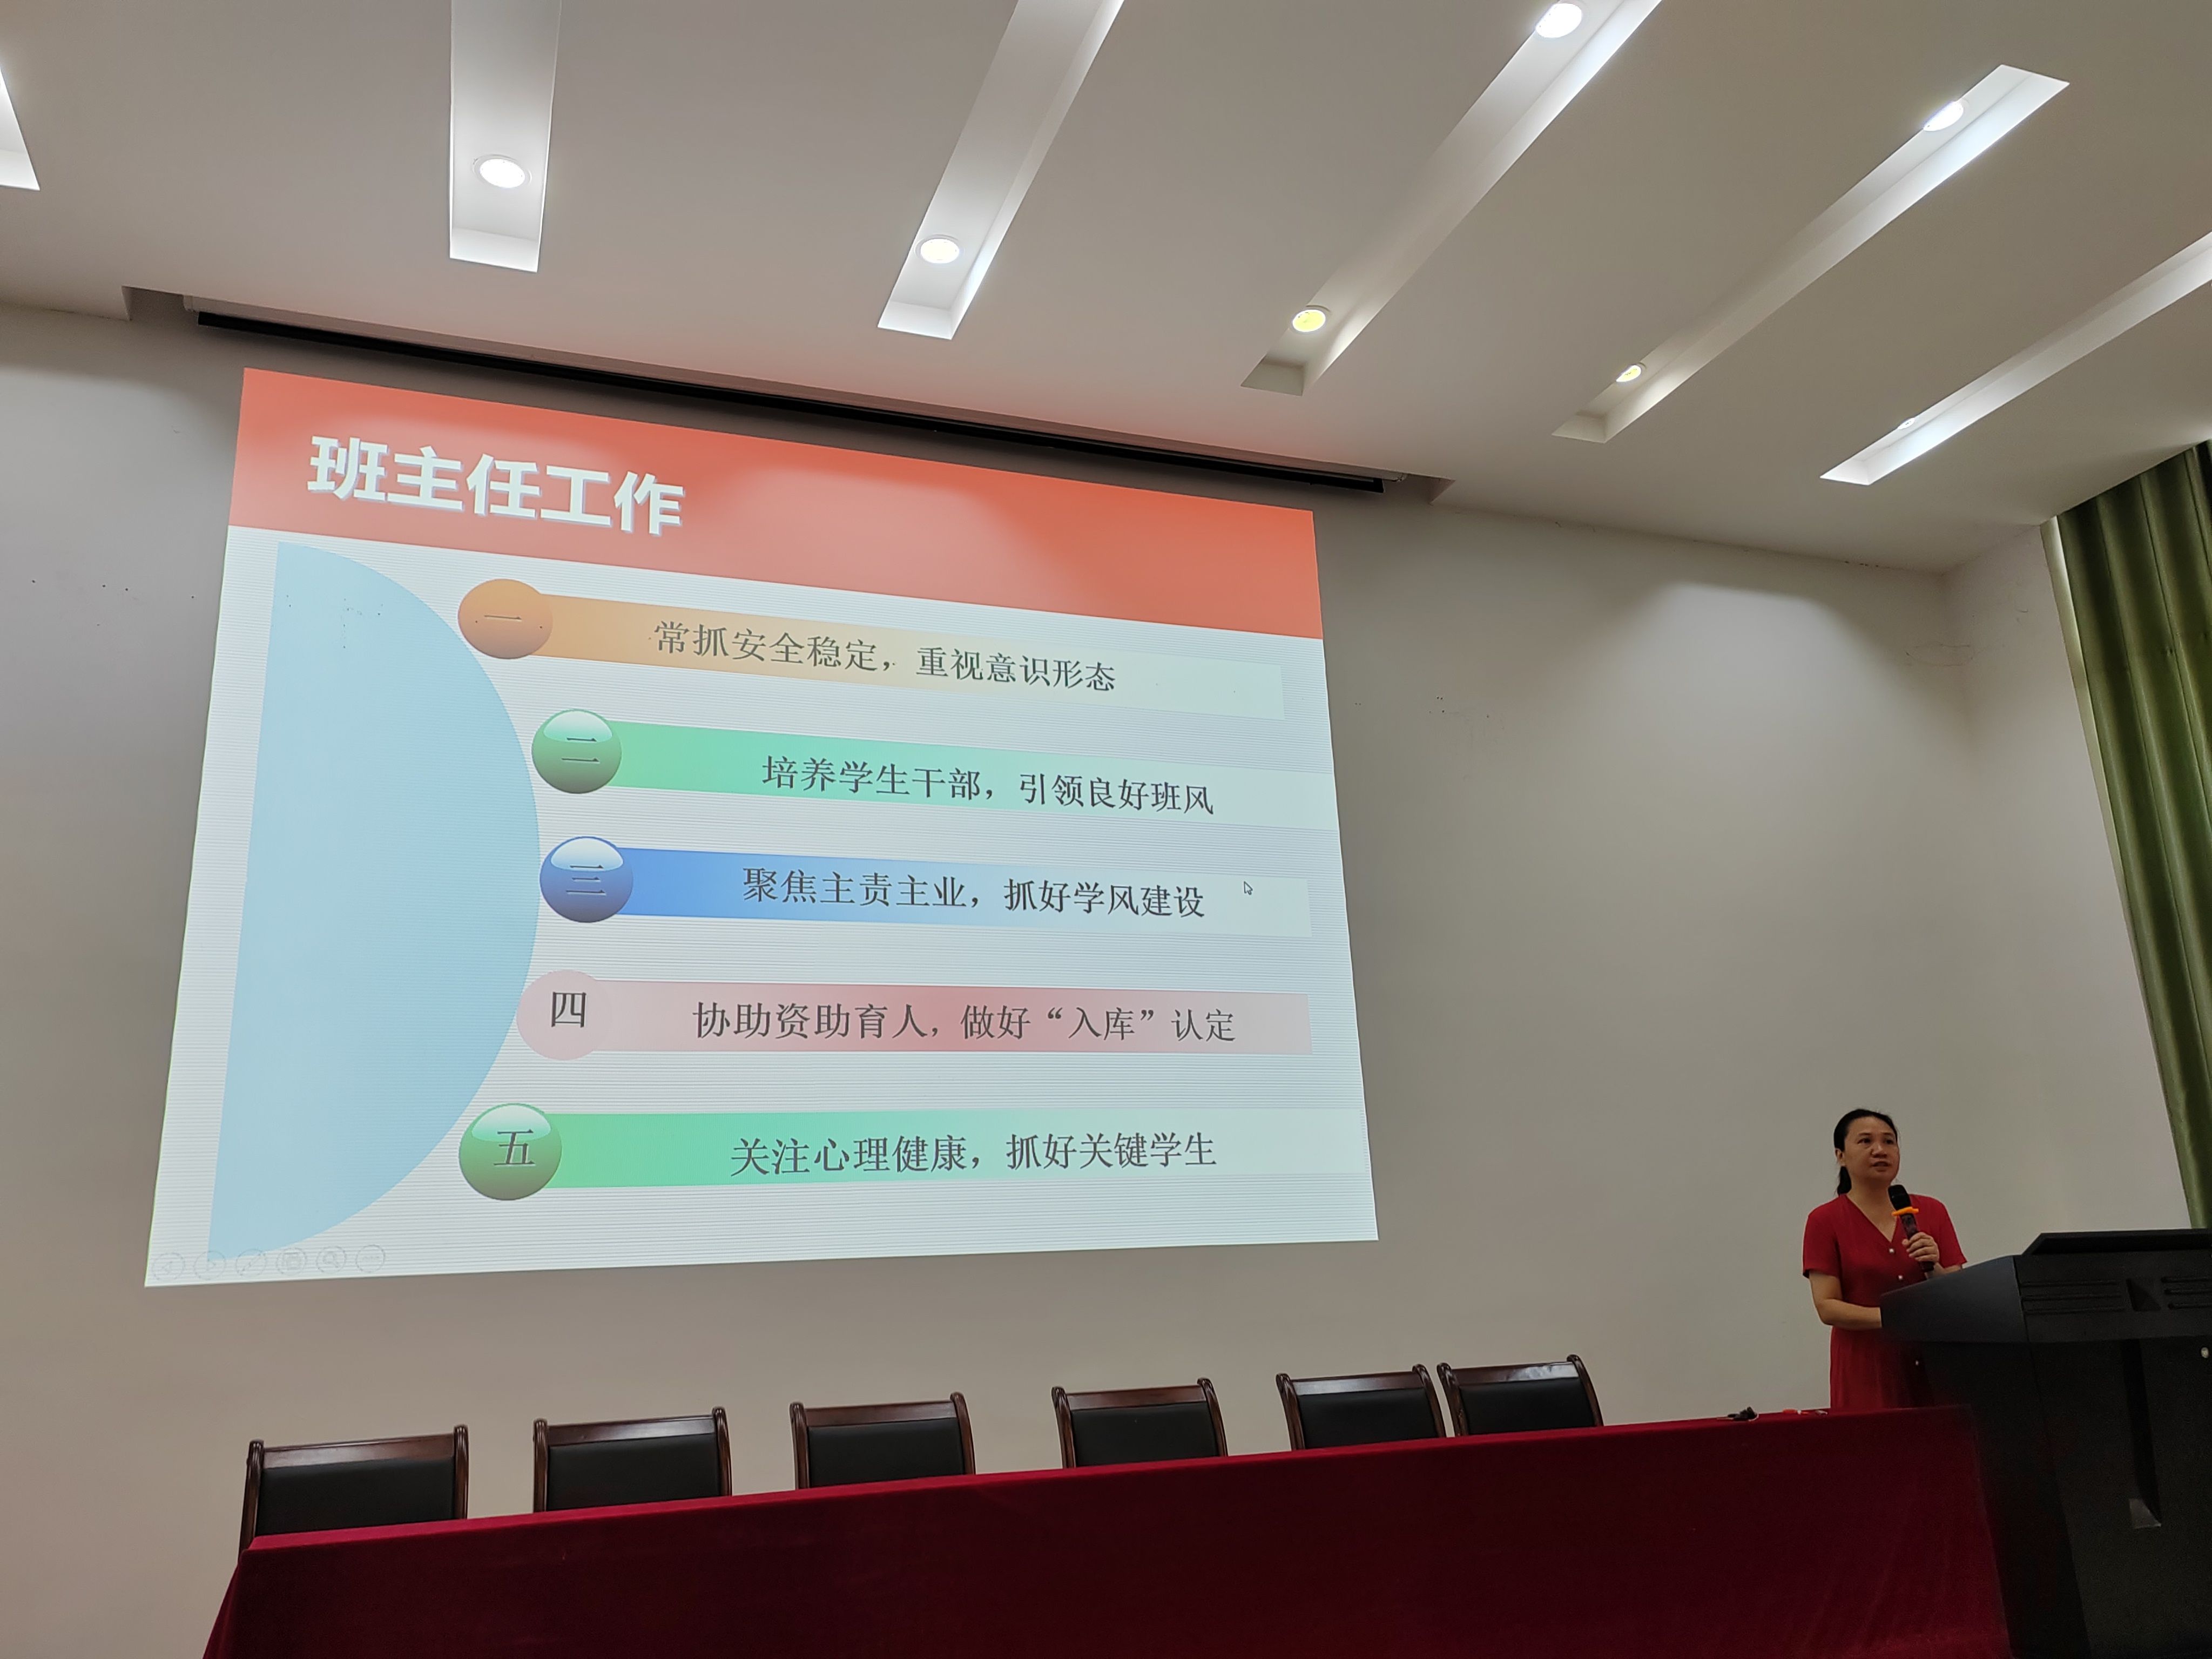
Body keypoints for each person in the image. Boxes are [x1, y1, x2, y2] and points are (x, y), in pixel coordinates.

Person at [1802, 1110, 1965, 1411]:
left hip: (1934, 1365)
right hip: (1867, 1370)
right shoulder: (1824, 1220)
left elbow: (1958, 1294)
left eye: (1889, 1141)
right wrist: (1894, 1318)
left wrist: (1935, 1268)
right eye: (1866, 1141)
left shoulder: (1932, 1210)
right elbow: (1827, 1306)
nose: (1880, 1150)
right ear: (1840, 1156)